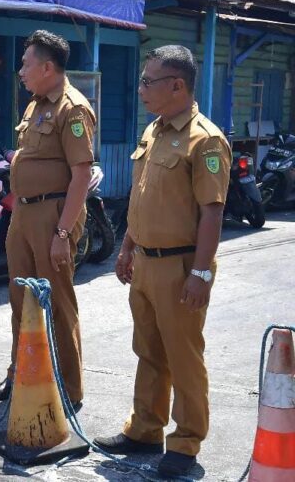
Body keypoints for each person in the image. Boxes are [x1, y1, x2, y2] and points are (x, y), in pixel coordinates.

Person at [93, 46, 230, 478]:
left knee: (183, 355)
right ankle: (146, 428)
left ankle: (186, 442)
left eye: (149, 81)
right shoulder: (153, 132)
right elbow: (143, 197)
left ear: (177, 85)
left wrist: (202, 273)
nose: (141, 90)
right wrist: (127, 245)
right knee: (148, 351)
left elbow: (212, 211)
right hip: (146, 263)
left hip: (179, 267)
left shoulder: (205, 139)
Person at [0, 30, 95, 409]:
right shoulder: (34, 105)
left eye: (27, 63)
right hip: (25, 211)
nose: (20, 71)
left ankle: (69, 389)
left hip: (53, 214)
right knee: (20, 299)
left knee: (57, 302)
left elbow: (81, 174)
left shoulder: (72, 109)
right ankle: (21, 374)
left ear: (48, 67)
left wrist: (63, 231)